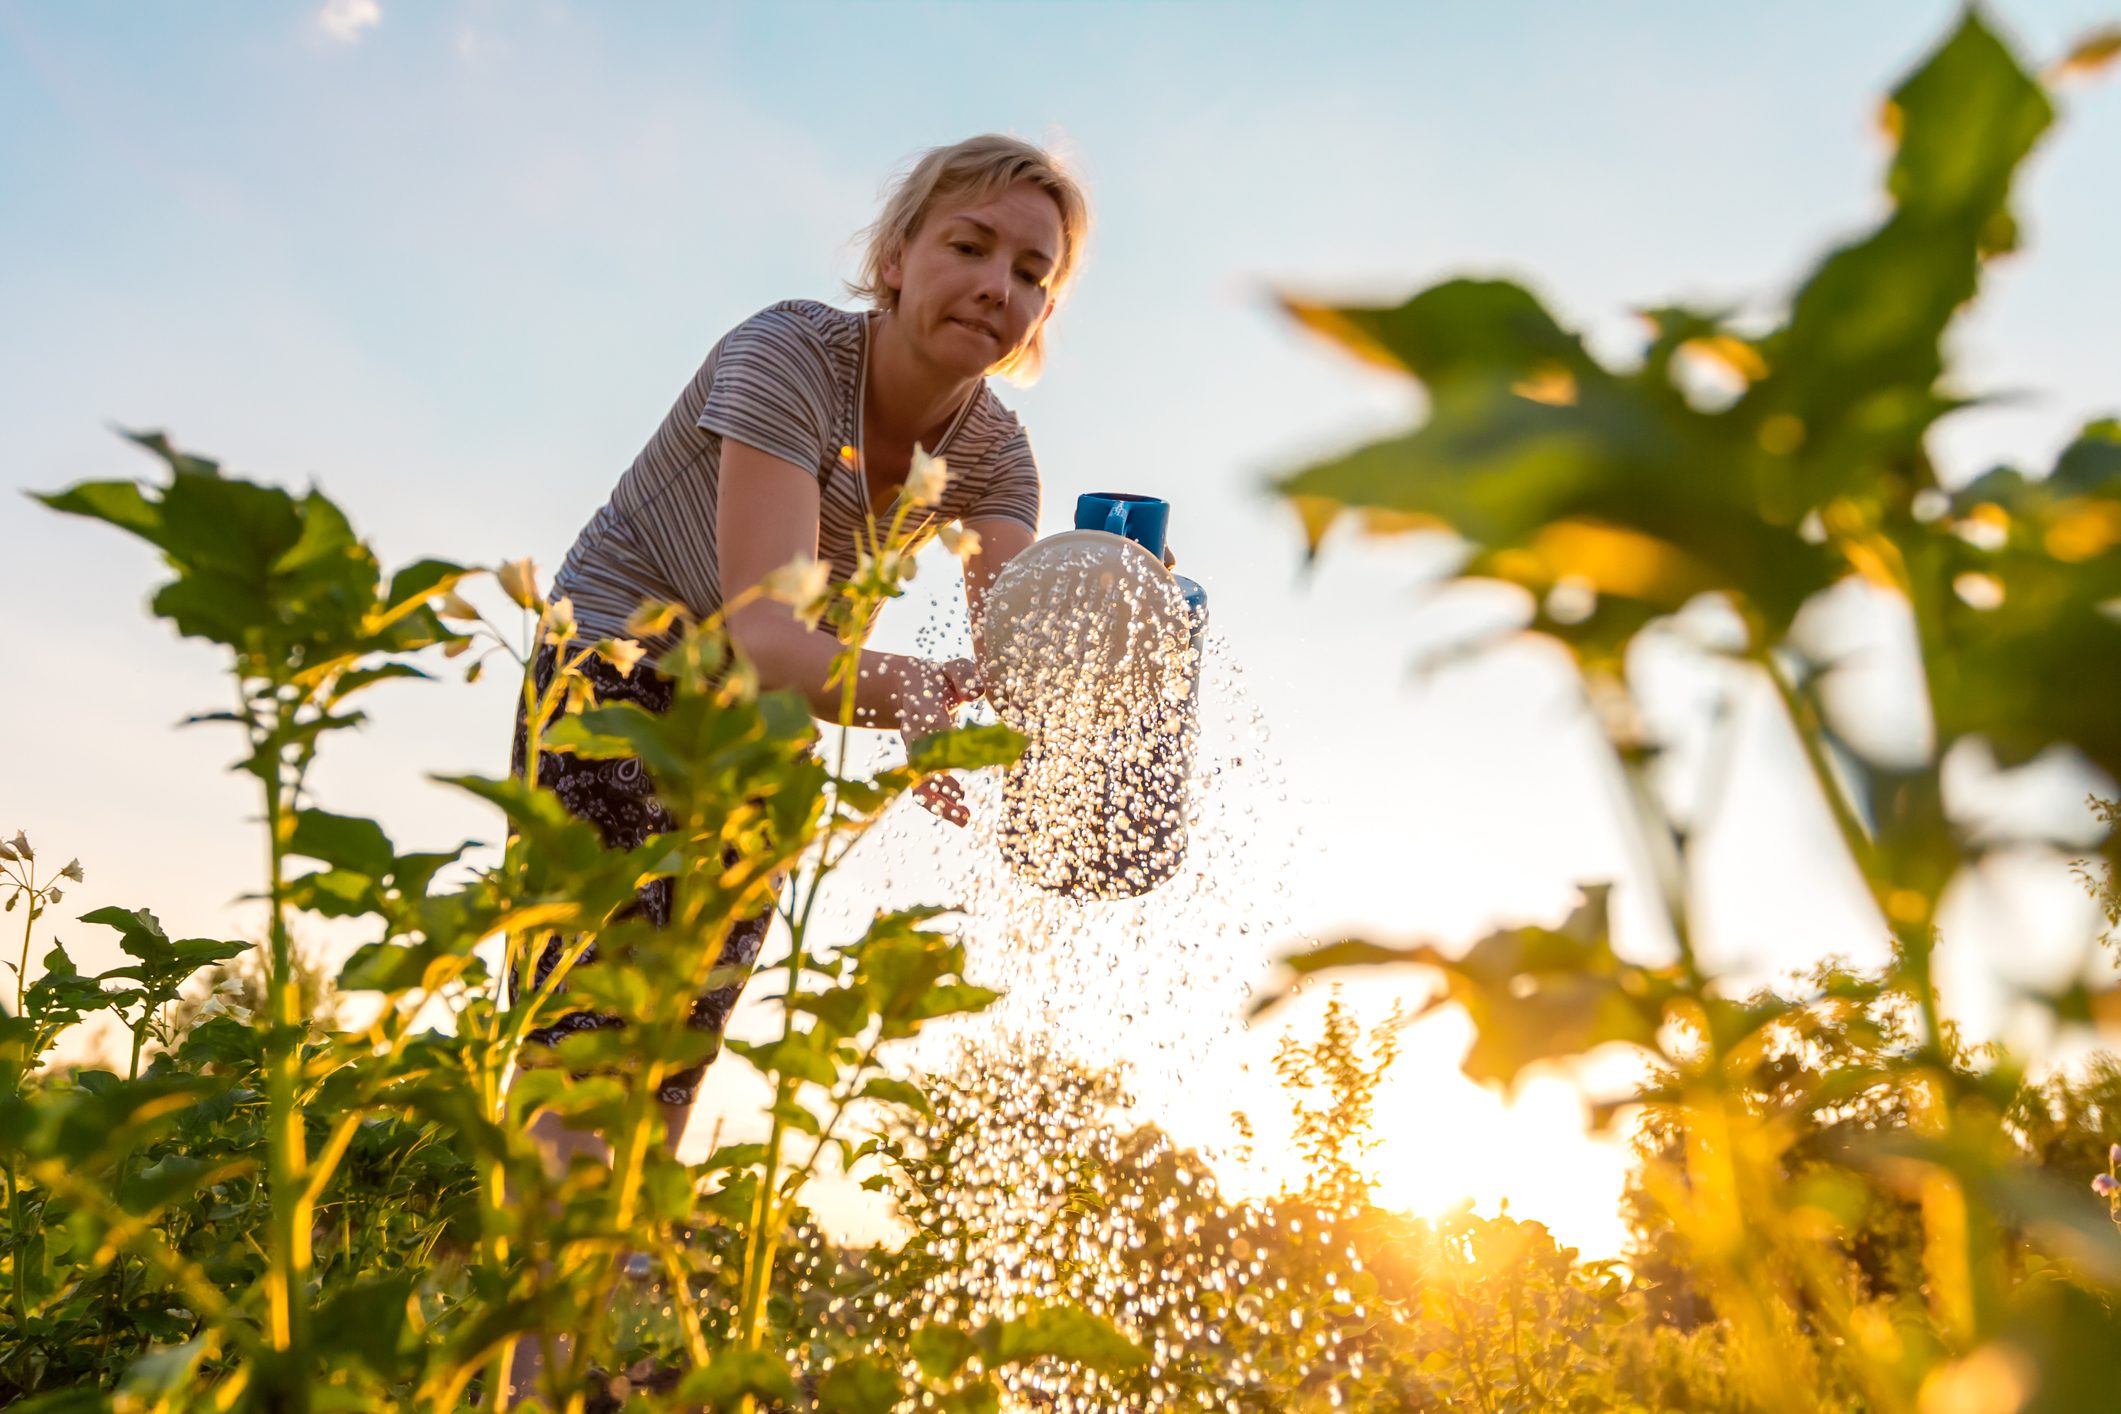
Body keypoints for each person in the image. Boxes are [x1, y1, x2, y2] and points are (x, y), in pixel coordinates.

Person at [502, 133, 1090, 1394]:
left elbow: (1008, 646)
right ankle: (528, 1380)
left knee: (676, 1052)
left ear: (1046, 308)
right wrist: (919, 699)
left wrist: (1098, 666)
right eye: (970, 247)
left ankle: (589, 1364)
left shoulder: (996, 459)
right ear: (894, 257)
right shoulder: (786, 356)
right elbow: (763, 633)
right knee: (589, 1032)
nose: (998, 284)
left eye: (1031, 271)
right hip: (617, 666)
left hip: (768, 728)